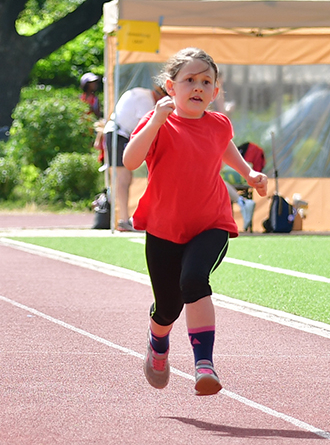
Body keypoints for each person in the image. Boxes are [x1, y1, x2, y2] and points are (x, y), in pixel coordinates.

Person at [123, 48, 268, 396]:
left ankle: (205, 364)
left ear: (215, 92)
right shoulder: (157, 123)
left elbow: (224, 146)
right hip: (164, 227)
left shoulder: (219, 123)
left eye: (206, 82)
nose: (198, 87)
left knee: (194, 279)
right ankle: (158, 341)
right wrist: (156, 120)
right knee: (168, 306)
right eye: (190, 80)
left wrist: (248, 172)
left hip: (211, 223)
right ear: (171, 87)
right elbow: (130, 161)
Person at [95, 84, 162, 232]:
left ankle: (124, 219)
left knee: (125, 179)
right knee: (123, 179)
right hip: (118, 136)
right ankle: (123, 219)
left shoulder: (142, 94)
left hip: (119, 135)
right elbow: (145, 127)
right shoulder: (146, 99)